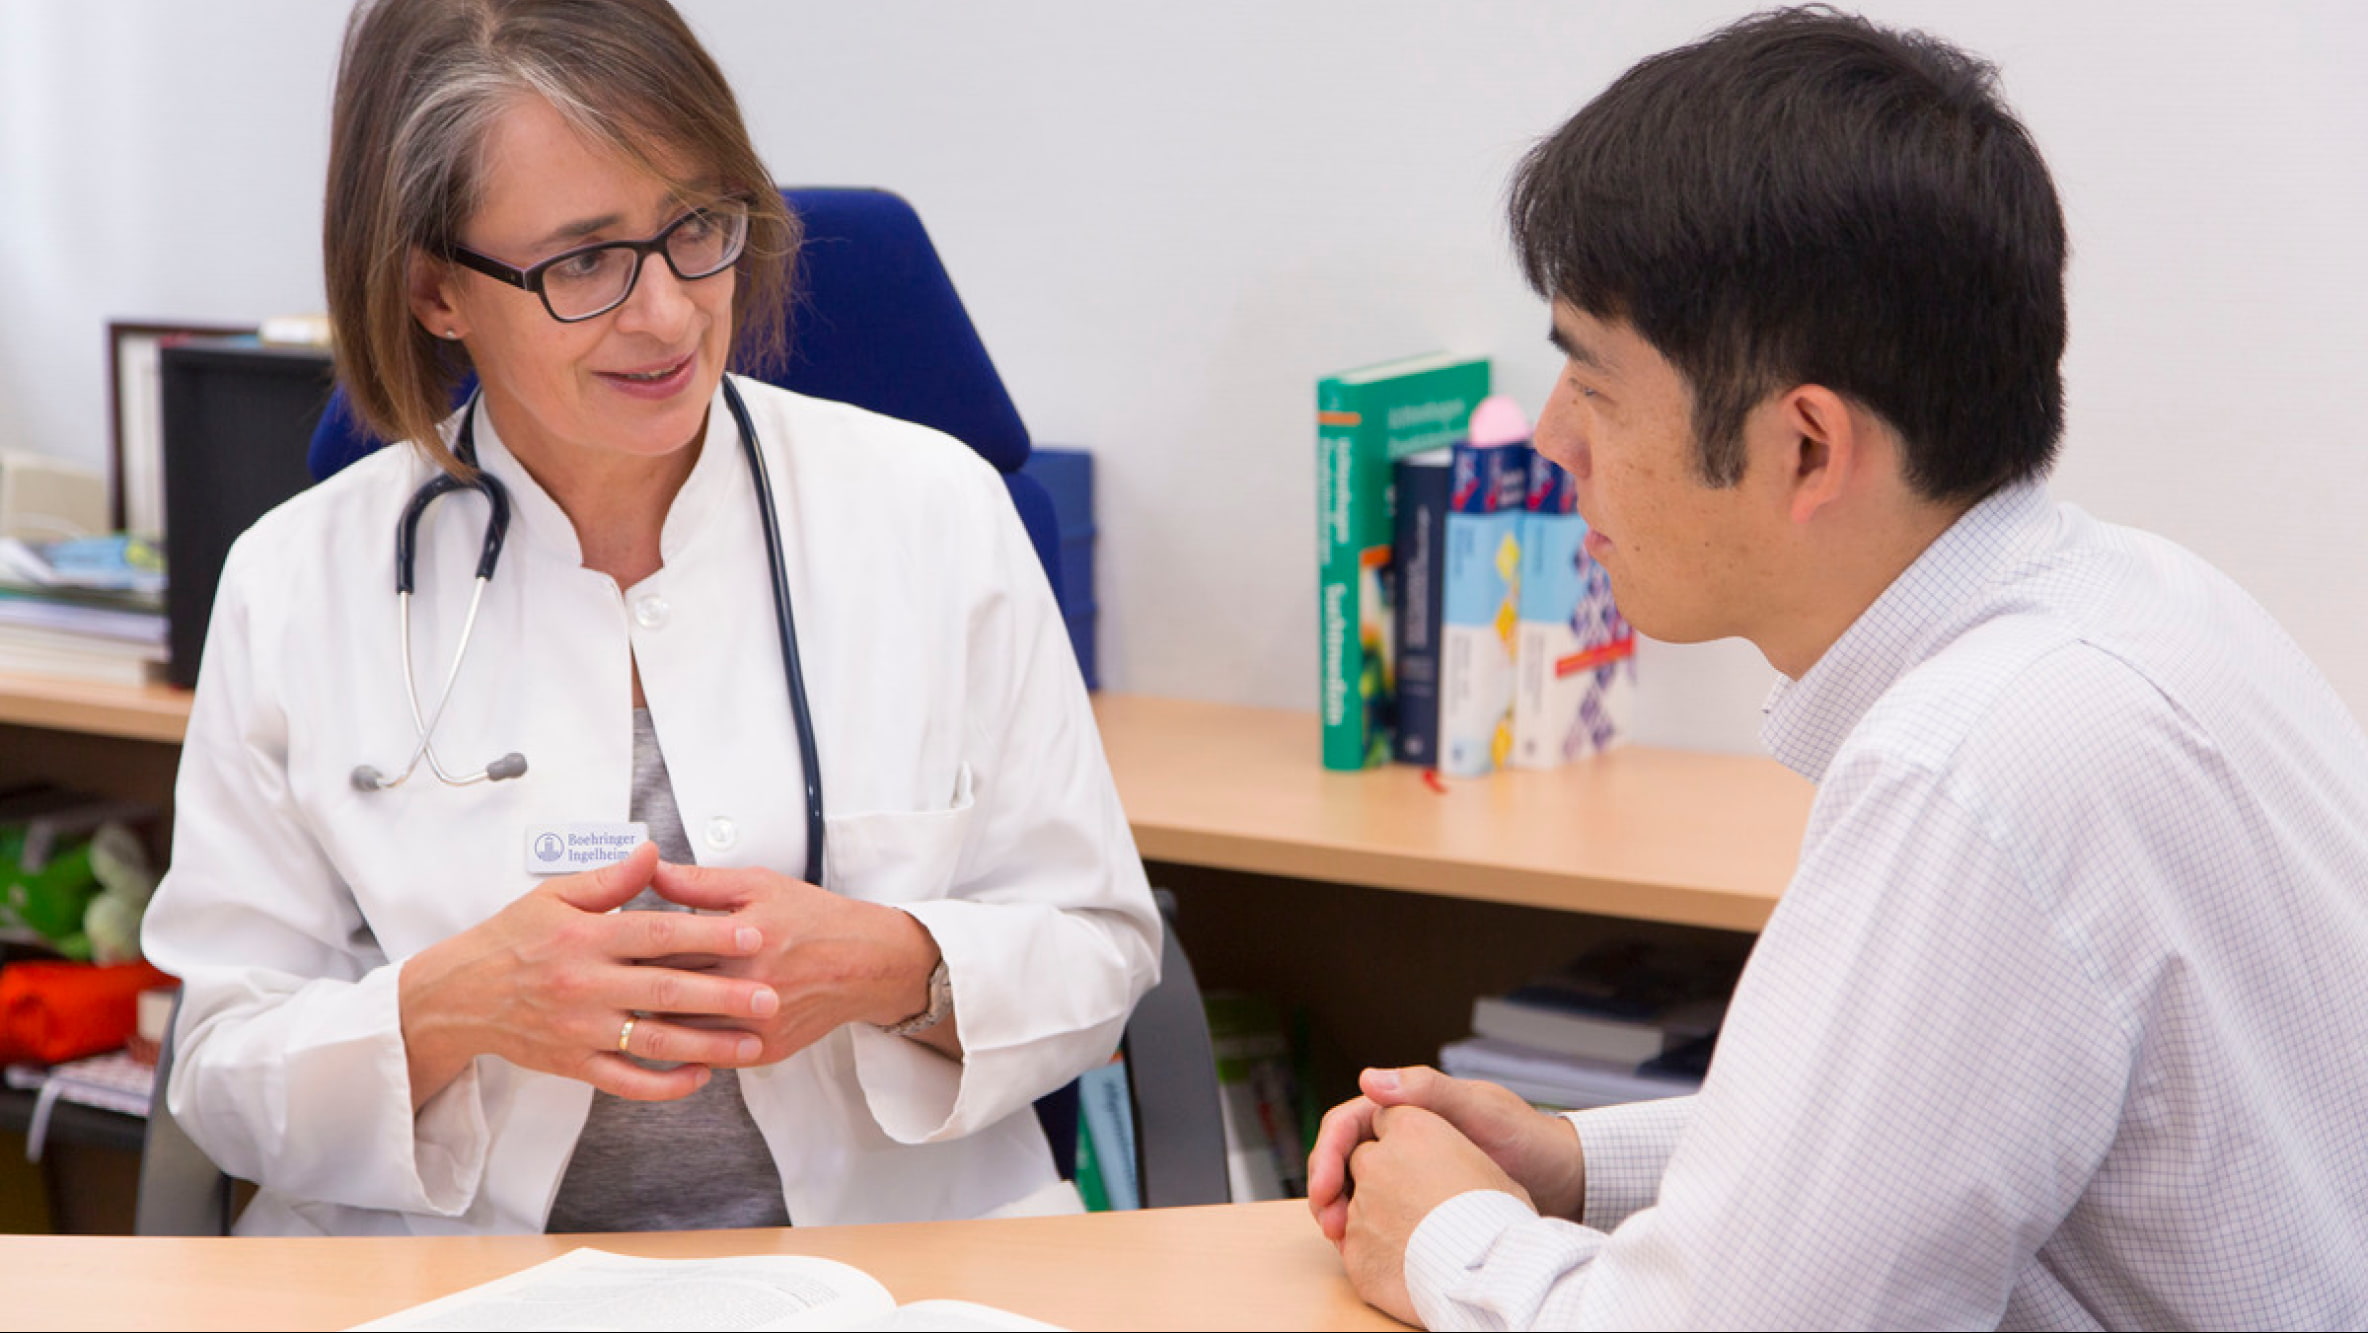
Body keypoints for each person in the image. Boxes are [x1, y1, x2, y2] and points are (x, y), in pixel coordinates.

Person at [1306, 9, 2368, 1329]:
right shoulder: (2149, 601)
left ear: (1806, 447)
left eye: (1598, 384)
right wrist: (1579, 1164)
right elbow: (1924, 1135)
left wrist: (1449, 1238)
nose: (1559, 444)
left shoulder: (1978, 764)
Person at [140, 0, 1159, 1236]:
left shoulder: (934, 514)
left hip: (888, 1277)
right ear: (432, 287)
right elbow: (220, 1068)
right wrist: (458, 1003)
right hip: (448, 1289)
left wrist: (892, 963)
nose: (670, 313)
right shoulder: (295, 582)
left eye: (697, 228)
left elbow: (1102, 950)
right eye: (582, 262)